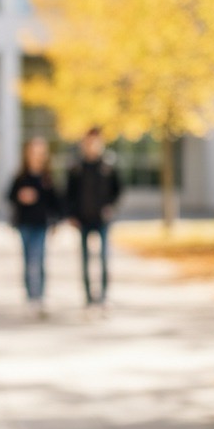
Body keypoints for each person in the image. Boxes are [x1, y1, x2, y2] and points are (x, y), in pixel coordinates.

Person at [66, 127, 122, 309]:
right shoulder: (76, 166)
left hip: (102, 220)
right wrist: (71, 215)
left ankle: (104, 296)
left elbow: (118, 189)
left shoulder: (108, 165)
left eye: (95, 142)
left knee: (104, 258)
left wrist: (111, 207)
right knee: (85, 260)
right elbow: (69, 193)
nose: (91, 145)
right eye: (88, 141)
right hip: (82, 220)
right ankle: (89, 298)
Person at [7, 137, 61, 315]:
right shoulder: (21, 176)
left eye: (40, 152)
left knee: (38, 260)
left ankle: (39, 297)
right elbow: (9, 196)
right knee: (28, 260)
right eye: (34, 151)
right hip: (24, 224)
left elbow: (55, 202)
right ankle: (30, 297)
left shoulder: (47, 177)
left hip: (41, 224)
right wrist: (21, 196)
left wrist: (56, 222)